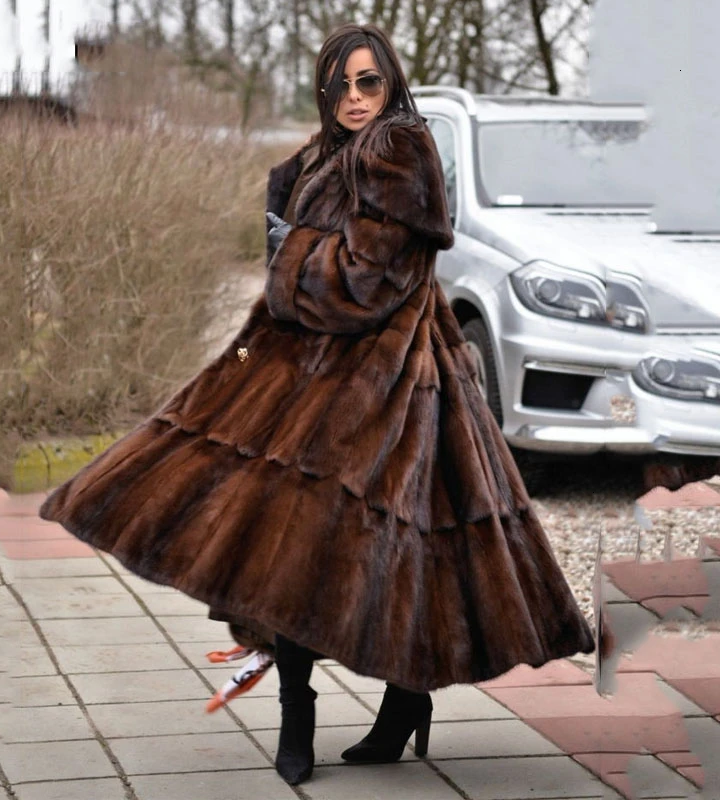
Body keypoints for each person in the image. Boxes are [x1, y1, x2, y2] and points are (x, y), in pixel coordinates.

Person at [40, 22, 594, 787]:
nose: (355, 98)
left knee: (332, 546)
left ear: (391, 85)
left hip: (385, 378)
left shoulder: (398, 149)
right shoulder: (323, 155)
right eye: (341, 84)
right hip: (313, 367)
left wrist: (293, 250)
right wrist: (277, 283)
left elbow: (367, 279)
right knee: (306, 545)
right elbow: (310, 268)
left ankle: (376, 705)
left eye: (369, 82)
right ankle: (327, 708)